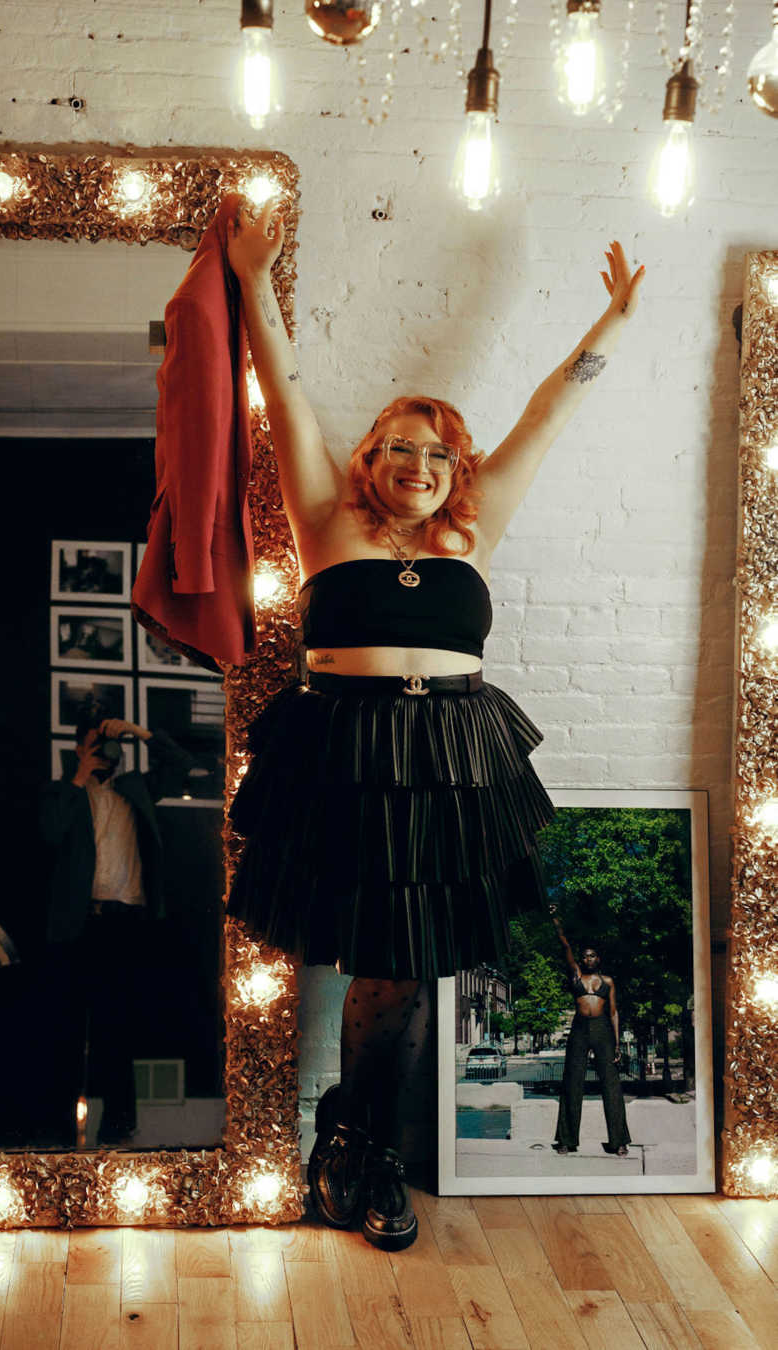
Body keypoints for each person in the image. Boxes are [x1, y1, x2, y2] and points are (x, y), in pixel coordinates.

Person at [224, 200, 644, 1249]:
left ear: (459, 472)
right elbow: (281, 393)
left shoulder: (472, 528)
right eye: (404, 449)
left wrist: (613, 327)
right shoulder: (324, 518)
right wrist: (250, 281)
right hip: (346, 750)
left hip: (452, 754)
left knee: (406, 962)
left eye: (442, 455)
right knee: (367, 956)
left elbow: (549, 412)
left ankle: (363, 1153)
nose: (422, 466)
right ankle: (357, 1148)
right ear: (372, 456)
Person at [40, 702, 191, 1145]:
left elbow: (182, 763)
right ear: (78, 746)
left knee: (120, 1027)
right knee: (68, 1027)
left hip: (125, 925)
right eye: (95, 743)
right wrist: (79, 774)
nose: (105, 752)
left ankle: (120, 1128)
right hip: (78, 924)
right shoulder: (64, 793)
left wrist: (139, 733)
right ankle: (60, 1129)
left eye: (110, 744)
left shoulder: (136, 790)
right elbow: (49, 833)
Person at [549, 905, 630, 1157]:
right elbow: (565, 947)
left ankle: (619, 1141)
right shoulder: (576, 977)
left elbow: (614, 1012)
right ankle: (566, 1139)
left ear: (599, 959)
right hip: (580, 1029)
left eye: (593, 955)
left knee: (611, 1084)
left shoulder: (608, 982)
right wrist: (556, 921)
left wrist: (617, 1045)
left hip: (603, 1029)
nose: (588, 959)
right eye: (585, 956)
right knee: (572, 1081)